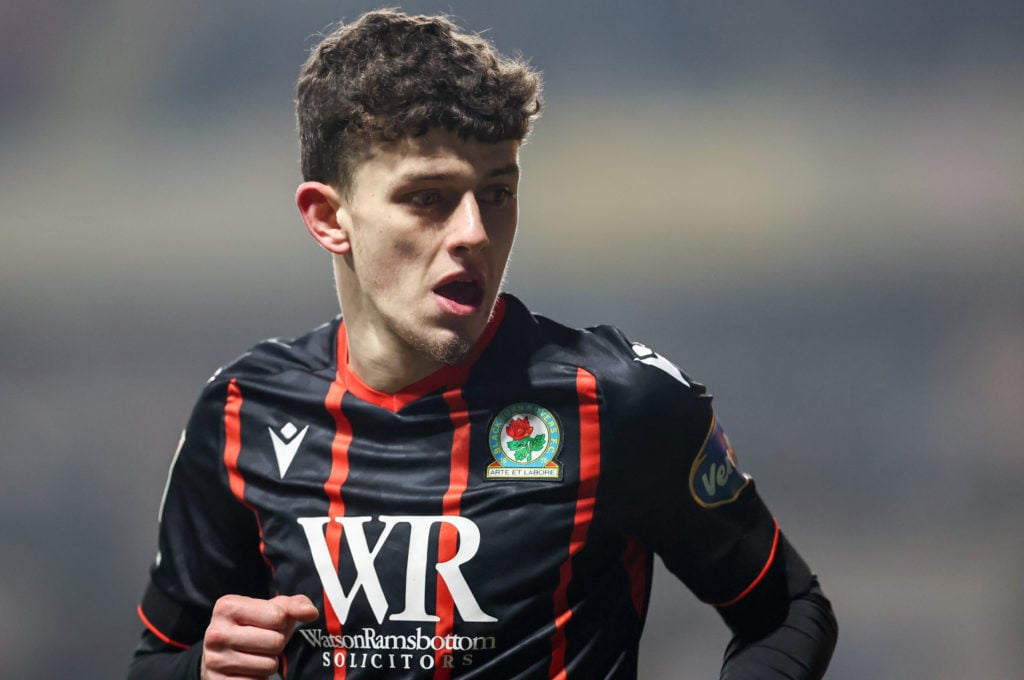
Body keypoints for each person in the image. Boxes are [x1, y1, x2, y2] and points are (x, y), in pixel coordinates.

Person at [128, 9, 837, 680]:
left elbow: (788, 614)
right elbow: (159, 661)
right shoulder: (241, 412)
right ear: (328, 218)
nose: (472, 232)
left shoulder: (617, 401)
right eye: (428, 197)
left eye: (496, 193)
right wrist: (202, 669)